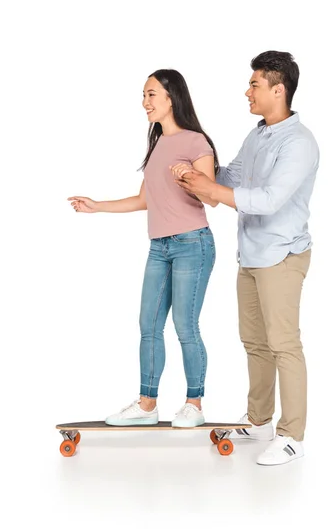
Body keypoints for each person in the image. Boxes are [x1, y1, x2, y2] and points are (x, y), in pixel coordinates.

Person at [171, 51, 319, 464]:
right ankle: (259, 420)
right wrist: (198, 169)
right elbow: (234, 175)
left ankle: (293, 435)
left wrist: (212, 190)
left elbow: (269, 200)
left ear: (279, 89)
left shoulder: (300, 143)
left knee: (284, 344)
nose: (247, 91)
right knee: (255, 342)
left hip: (282, 256)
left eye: (254, 84)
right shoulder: (257, 135)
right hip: (250, 254)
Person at [68, 69, 218, 428]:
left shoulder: (196, 142)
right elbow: (143, 200)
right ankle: (147, 404)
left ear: (171, 97)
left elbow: (212, 196)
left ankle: (194, 403)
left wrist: (188, 176)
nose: (145, 102)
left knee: (185, 325)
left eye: (151, 94)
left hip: (191, 244)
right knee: (148, 325)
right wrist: (97, 205)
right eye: (144, 95)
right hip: (159, 247)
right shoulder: (157, 144)